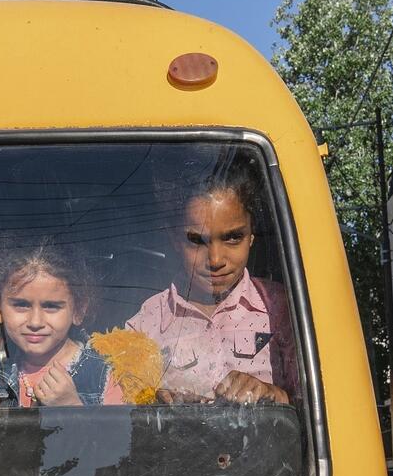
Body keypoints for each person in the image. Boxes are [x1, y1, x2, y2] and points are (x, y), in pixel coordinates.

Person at [125, 155, 298, 406]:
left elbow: (318, 407)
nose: (215, 259)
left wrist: (272, 395)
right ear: (174, 239)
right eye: (196, 241)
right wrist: (155, 403)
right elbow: (125, 414)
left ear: (252, 235)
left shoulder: (280, 309)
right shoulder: (148, 322)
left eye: (232, 238)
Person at [0, 244, 125, 407]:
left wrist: (73, 407)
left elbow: (118, 432)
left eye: (51, 306)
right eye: (21, 304)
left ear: (79, 310)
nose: (35, 322)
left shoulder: (104, 375)